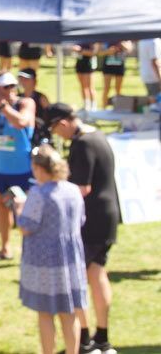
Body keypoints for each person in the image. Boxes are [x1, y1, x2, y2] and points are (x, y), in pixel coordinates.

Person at [46, 103, 120, 354]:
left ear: (64, 123)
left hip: (91, 219)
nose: (58, 134)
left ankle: (85, 338)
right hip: (108, 215)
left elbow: (81, 187)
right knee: (97, 274)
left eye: (56, 129)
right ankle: (102, 337)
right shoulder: (98, 134)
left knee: (77, 280)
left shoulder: (83, 143)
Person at [15, 145, 88, 354]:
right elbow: (81, 220)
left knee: (46, 312)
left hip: (45, 261)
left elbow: (27, 227)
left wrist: (19, 207)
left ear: (39, 168)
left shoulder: (38, 193)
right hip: (71, 260)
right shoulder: (73, 190)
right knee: (69, 311)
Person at [0, 72, 35, 262]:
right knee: (2, 208)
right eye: (5, 88)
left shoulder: (26, 103)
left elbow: (21, 122)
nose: (9, 91)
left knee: (25, 209)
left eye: (12, 86)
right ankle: (5, 248)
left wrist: (3, 105)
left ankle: (29, 248)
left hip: (22, 168)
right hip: (0, 167)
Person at [18, 68, 51, 146]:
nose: (23, 81)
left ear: (34, 81)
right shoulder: (18, 97)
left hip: (38, 135)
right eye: (21, 79)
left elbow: (49, 116)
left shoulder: (41, 98)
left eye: (26, 79)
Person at [99, 41, 131, 109]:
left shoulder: (124, 39)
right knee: (106, 88)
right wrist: (108, 51)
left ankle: (118, 108)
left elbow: (129, 49)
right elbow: (99, 52)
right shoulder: (106, 39)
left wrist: (122, 45)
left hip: (119, 66)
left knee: (118, 89)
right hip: (108, 67)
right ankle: (104, 108)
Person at [73, 43, 98, 110]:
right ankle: (86, 105)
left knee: (89, 87)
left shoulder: (92, 41)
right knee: (82, 86)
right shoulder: (78, 40)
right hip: (79, 64)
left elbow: (93, 52)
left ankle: (93, 106)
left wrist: (80, 50)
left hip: (88, 65)